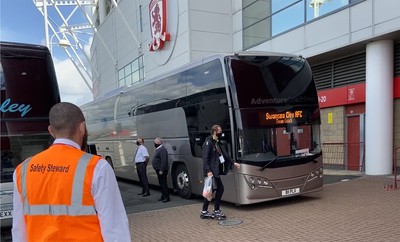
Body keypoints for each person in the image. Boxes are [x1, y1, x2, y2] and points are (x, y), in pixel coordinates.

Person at [11, 102, 131, 242]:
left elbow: (19, 230)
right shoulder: (97, 167)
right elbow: (115, 229)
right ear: (82, 127)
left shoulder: (23, 170)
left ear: (51, 130)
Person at [200, 125, 240, 220]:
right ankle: (215, 210)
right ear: (214, 132)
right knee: (218, 189)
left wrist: (233, 163)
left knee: (211, 190)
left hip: (216, 171)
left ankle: (205, 211)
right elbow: (205, 159)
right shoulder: (208, 143)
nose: (221, 133)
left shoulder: (218, 142)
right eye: (219, 131)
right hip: (212, 172)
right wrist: (208, 171)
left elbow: (225, 155)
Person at [151, 137, 170, 203]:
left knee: (163, 183)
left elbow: (163, 161)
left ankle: (166, 197)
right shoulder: (158, 149)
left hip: (162, 170)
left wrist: (161, 170)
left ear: (158, 143)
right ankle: (163, 195)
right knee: (161, 183)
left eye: (155, 142)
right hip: (158, 169)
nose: (154, 144)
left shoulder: (162, 150)